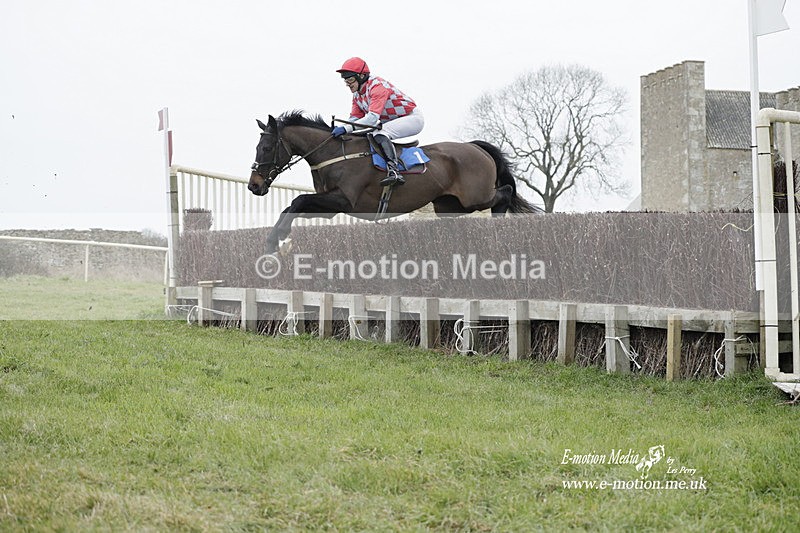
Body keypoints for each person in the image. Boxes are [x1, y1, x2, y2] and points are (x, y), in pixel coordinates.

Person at [331, 57, 424, 186]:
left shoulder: (377, 86)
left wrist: (346, 129)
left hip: (411, 118)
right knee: (367, 134)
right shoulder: (357, 95)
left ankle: (394, 171)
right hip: (393, 120)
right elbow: (354, 120)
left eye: (350, 79)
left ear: (362, 76)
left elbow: (372, 119)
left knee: (380, 133)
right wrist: (343, 128)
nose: (348, 84)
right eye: (346, 81)